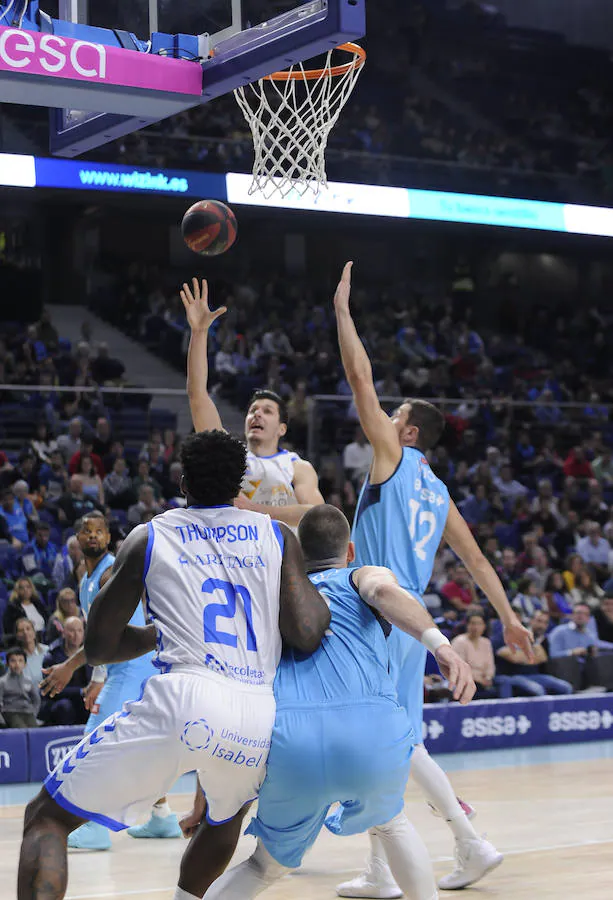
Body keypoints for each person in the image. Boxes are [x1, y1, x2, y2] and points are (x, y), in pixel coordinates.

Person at [18, 429, 330, 900]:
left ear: (183, 481)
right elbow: (308, 634)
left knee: (46, 817)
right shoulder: (276, 536)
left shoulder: (151, 535)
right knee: (224, 818)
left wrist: (152, 635)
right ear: (240, 484)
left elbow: (99, 647)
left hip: (185, 696)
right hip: (255, 713)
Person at [332, 262, 532, 896]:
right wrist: (507, 616)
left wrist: (342, 312)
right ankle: (387, 866)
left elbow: (359, 376)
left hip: (383, 612)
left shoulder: (390, 459)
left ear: (407, 432)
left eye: (393, 414)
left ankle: (467, 839)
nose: (382, 416)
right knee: (396, 740)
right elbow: (476, 563)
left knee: (386, 740)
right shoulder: (439, 490)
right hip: (411, 618)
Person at [200, 505, 476, 900]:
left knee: (263, 865)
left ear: (295, 553)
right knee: (392, 823)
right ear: (349, 551)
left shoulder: (274, 595)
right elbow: (383, 591)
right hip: (370, 731)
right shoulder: (360, 575)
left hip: (290, 738)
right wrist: (440, 646)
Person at [40, 510, 174, 850]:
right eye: (86, 531)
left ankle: (95, 826)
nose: (92, 536)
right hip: (126, 664)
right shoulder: (85, 577)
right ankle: (163, 818)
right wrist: (98, 674)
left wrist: (71, 667)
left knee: (95, 742)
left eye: (99, 531)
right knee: (144, 748)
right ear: (76, 539)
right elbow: (102, 636)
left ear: (109, 537)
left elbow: (114, 633)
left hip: (132, 665)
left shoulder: (109, 573)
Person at [181, 277, 325, 528]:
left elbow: (315, 514)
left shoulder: (297, 466)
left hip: (278, 560)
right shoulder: (230, 455)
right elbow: (197, 395)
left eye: (267, 411)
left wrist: (253, 509)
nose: (257, 415)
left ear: (282, 428)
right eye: (253, 410)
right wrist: (199, 332)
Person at [495, 610, 572, 698]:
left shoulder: (538, 638)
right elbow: (514, 658)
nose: (541, 626)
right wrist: (532, 656)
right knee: (537, 690)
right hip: (512, 676)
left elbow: (543, 658)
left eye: (545, 623)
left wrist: (526, 654)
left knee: (566, 687)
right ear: (531, 621)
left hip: (535, 675)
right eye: (539, 621)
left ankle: (558, 712)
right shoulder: (501, 637)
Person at [39, 617, 91, 726]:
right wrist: (80, 691)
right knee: (65, 707)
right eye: (72, 631)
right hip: (59, 701)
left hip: (83, 700)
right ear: (63, 633)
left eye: (79, 630)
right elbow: (51, 691)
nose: (76, 635)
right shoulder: (52, 656)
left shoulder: (90, 653)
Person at [451, 612, 497, 699]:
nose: (476, 627)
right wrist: (478, 679)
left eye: (479, 624)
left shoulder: (486, 642)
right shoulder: (459, 642)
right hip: (465, 681)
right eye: (473, 623)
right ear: (467, 625)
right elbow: (460, 668)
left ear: (484, 626)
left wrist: (488, 677)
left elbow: (490, 666)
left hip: (484, 681)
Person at [0, 647, 40, 728]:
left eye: (20, 660)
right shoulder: (2, 682)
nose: (17, 664)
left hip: (27, 712)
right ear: (7, 664)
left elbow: (36, 699)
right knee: (21, 728)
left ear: (25, 664)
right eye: (13, 661)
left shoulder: (28, 680)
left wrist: (34, 713)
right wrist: (2, 721)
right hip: (9, 712)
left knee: (35, 731)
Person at [3, 576, 48, 642]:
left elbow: (48, 621)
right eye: (21, 588)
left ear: (32, 589)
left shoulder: (38, 604)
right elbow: (10, 631)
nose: (25, 590)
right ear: (17, 590)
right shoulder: (12, 608)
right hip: (26, 641)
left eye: (28, 587)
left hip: (44, 638)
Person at [16, 617, 49, 688]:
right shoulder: (15, 658)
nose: (25, 632)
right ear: (17, 636)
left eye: (28, 629)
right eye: (21, 630)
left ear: (34, 632)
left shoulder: (47, 651)